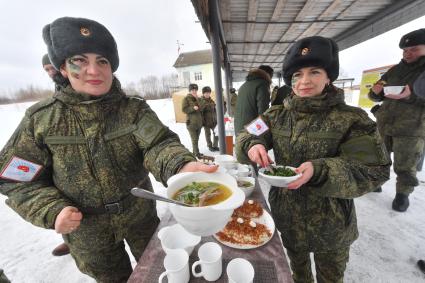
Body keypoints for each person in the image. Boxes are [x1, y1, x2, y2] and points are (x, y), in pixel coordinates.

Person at [0, 17, 217, 282]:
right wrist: (52, 209)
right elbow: (15, 179)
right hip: (89, 233)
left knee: (161, 270)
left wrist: (181, 166)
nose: (94, 70)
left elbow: (159, 145)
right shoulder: (41, 120)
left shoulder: (133, 110)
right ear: (63, 69)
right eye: (79, 60)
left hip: (140, 217)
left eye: (102, 61)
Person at [236, 36, 391, 282]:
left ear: (329, 76)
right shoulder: (275, 114)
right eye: (297, 74)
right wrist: (253, 144)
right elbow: (245, 135)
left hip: (332, 227)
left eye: (314, 72)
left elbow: (374, 170)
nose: (304, 81)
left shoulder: (352, 119)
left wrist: (319, 170)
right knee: (299, 275)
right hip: (287, 218)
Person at [368, 28, 425, 212]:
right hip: (384, 124)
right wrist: (375, 93)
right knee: (378, 158)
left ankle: (403, 195)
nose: (408, 54)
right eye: (405, 51)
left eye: (414, 49)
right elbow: (377, 93)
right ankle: (376, 183)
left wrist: (410, 97)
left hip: (411, 128)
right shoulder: (394, 70)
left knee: (406, 164)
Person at [41, 54, 71, 257]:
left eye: (52, 67)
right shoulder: (50, 104)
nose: (52, 73)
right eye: (46, 70)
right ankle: (69, 240)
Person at [234, 65, 273, 135]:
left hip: (239, 128)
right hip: (251, 130)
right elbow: (263, 112)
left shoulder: (244, 85)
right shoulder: (262, 84)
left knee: (238, 145)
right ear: (267, 75)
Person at [182, 83, 204, 157]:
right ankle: (196, 154)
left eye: (195, 90)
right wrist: (192, 108)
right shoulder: (186, 99)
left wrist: (198, 100)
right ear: (190, 90)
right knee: (194, 140)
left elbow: (202, 107)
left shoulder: (199, 98)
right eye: (192, 90)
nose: (194, 91)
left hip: (199, 123)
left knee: (196, 139)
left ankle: (195, 152)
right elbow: (184, 109)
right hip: (191, 123)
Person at [200, 86, 219, 152]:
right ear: (203, 93)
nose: (207, 94)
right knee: (208, 135)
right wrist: (203, 121)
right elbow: (200, 112)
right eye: (206, 93)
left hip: (214, 121)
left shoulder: (211, 101)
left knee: (216, 133)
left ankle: (215, 145)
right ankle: (210, 146)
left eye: (208, 92)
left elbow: (215, 110)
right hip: (206, 122)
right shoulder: (201, 101)